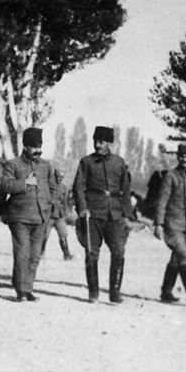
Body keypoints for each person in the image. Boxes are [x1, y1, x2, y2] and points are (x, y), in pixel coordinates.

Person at [73, 125, 133, 304]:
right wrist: (82, 209)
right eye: (95, 141)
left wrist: (127, 215)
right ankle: (93, 293)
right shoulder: (86, 162)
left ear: (109, 143)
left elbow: (126, 189)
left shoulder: (119, 162)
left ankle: (115, 293)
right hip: (92, 214)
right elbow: (78, 187)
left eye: (101, 142)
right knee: (91, 252)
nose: (97, 145)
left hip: (115, 214)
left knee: (119, 252)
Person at [0, 127, 57, 302]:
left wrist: (51, 205)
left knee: (34, 255)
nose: (38, 150)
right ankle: (20, 291)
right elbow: (5, 186)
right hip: (19, 218)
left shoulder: (46, 166)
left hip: (41, 217)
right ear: (25, 146)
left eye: (40, 146)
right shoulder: (13, 164)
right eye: (34, 147)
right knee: (22, 254)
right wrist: (25, 183)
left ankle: (28, 288)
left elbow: (53, 188)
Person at [154, 144, 186, 303]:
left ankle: (165, 292)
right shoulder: (170, 176)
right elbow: (162, 201)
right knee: (183, 255)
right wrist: (158, 224)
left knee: (176, 258)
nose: (184, 159)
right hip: (173, 224)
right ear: (178, 157)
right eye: (182, 156)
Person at [41, 169, 74, 261]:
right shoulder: (48, 186)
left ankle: (66, 255)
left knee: (63, 235)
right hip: (49, 215)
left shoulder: (64, 187)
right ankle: (40, 253)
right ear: (54, 176)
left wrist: (66, 211)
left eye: (62, 177)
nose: (60, 179)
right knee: (45, 235)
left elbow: (66, 201)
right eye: (58, 177)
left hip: (59, 215)